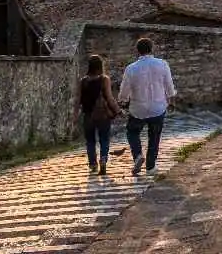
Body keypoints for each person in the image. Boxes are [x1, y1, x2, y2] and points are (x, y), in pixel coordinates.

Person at [117, 37, 177, 176]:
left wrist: (122, 101)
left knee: (132, 132)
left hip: (138, 108)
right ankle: (150, 167)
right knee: (154, 137)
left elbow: (124, 89)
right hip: (158, 107)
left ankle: (138, 155)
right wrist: (171, 101)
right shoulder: (162, 64)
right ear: (152, 49)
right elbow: (169, 85)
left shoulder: (131, 69)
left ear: (137, 51)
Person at [74, 55, 121, 176]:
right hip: (102, 115)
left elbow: (78, 100)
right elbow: (110, 98)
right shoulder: (104, 79)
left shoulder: (83, 81)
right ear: (100, 66)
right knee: (104, 139)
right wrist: (118, 110)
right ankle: (103, 159)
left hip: (88, 115)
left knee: (90, 141)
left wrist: (74, 116)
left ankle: (93, 164)